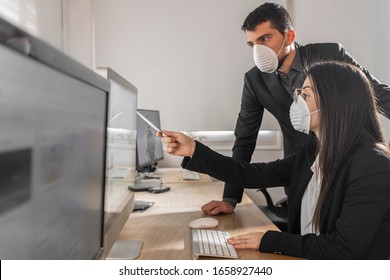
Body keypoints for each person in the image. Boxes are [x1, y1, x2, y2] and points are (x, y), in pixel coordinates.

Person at [158, 61, 390, 259]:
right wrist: (194, 150)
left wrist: (270, 241)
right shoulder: (314, 149)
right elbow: (253, 174)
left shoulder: (372, 165)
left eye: (306, 95)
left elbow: (344, 249)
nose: (297, 100)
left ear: (335, 102)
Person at [201, 2, 390, 216]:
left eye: (264, 39)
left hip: (346, 167)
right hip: (299, 170)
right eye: (252, 44)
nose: (258, 50)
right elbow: (244, 138)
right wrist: (230, 198)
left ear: (289, 36)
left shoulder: (330, 54)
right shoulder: (255, 80)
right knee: (301, 239)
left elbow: (378, 94)